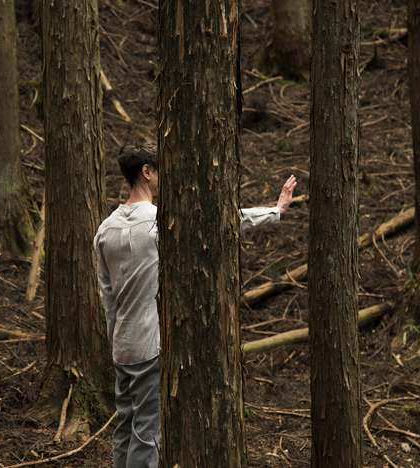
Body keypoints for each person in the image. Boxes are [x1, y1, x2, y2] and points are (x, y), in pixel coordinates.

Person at [94, 140, 297, 468]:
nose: (165, 180)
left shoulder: (104, 230)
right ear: (147, 172)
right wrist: (274, 212)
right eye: (160, 172)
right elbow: (219, 221)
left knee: (125, 429)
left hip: (122, 346)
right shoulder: (157, 224)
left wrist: (114, 341)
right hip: (150, 345)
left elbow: (107, 298)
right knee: (146, 434)